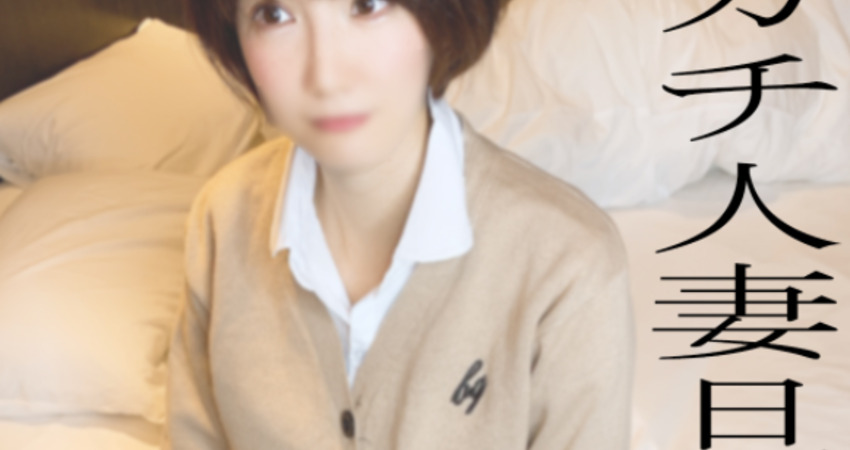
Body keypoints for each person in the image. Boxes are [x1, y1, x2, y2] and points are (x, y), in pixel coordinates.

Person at [162, 0, 635, 448]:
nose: (325, 76)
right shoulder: (222, 219)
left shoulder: (568, 267)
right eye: (274, 14)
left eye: (367, 5)